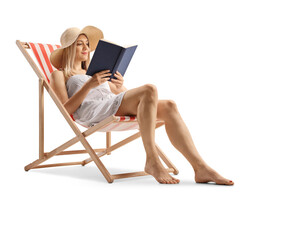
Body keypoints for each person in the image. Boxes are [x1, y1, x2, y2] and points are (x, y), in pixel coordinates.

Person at [49, 26, 234, 185]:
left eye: (87, 44)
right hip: (93, 112)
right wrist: (90, 84)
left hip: (109, 104)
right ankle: (152, 159)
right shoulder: (59, 75)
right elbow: (66, 110)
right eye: (79, 43)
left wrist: (120, 86)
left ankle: (200, 168)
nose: (86, 48)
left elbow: (124, 97)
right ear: (69, 49)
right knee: (149, 89)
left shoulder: (94, 72)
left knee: (169, 105)